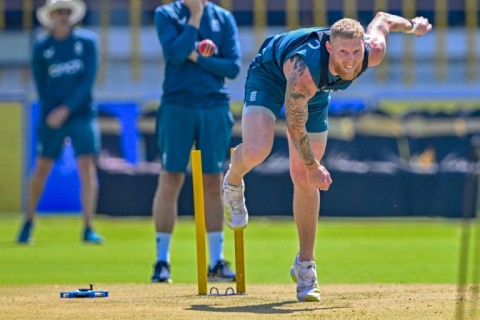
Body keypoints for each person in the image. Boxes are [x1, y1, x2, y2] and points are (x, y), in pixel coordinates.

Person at [223, 13, 432, 301]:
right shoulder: (302, 72)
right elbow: (294, 128)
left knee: (306, 180)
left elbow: (383, 20)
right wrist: (313, 165)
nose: (351, 60)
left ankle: (305, 267)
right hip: (270, 76)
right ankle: (233, 182)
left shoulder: (373, 52)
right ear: (330, 48)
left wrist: (412, 26)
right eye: (343, 52)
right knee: (260, 149)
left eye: (356, 52)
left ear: (364, 47)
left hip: (319, 91)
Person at [151, 0, 241, 283]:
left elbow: (233, 67)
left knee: (214, 182)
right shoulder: (166, 14)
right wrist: (195, 17)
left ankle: (216, 261)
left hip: (213, 105)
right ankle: (161, 261)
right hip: (177, 104)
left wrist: (198, 58)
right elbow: (176, 53)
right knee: (171, 178)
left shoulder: (224, 19)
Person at [16, 0, 103, 244]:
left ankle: (88, 227)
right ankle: (28, 222)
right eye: (58, 12)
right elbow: (41, 85)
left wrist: (66, 109)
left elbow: (87, 82)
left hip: (82, 113)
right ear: (51, 16)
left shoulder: (87, 42)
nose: (63, 16)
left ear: (72, 15)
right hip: (51, 116)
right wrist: (51, 113)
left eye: (67, 12)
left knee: (87, 166)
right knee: (42, 167)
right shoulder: (42, 47)